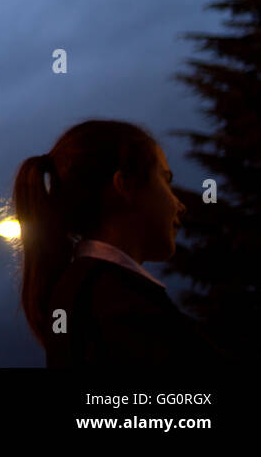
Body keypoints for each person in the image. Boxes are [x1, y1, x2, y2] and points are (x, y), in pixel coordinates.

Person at [12, 119, 226, 367]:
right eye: (166, 181)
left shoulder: (90, 295)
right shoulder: (123, 311)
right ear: (125, 186)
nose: (180, 205)